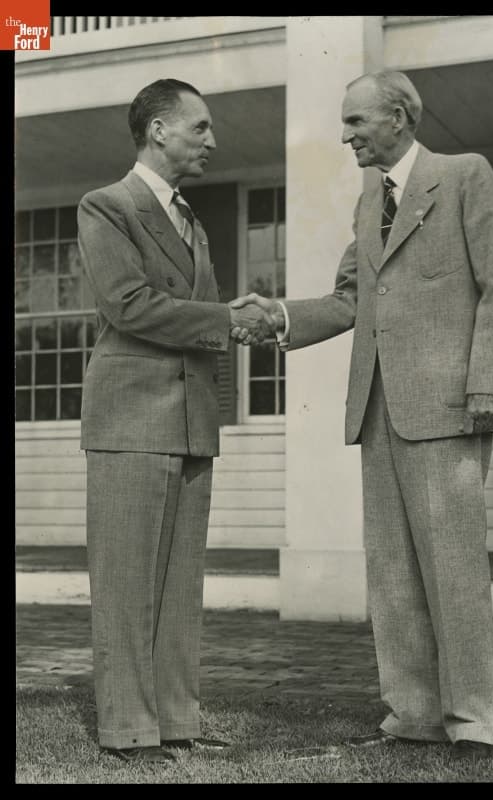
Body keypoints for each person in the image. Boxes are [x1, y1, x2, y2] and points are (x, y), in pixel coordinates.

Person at [230, 69, 493, 761]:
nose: (345, 135)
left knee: (452, 569)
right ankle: (413, 718)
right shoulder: (370, 199)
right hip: (378, 407)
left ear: (398, 116)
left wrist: (487, 382)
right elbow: (346, 300)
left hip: (449, 407)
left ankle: (474, 722)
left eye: (357, 122)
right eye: (343, 123)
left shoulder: (463, 174)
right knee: (392, 573)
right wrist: (275, 318)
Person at [77, 78, 271, 764]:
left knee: (179, 587)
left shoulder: (189, 217)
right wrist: (226, 318)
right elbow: (129, 305)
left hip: (190, 419)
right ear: (158, 130)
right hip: (130, 418)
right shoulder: (109, 206)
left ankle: (177, 722)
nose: (211, 141)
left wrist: (234, 320)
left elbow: (195, 318)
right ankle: (128, 730)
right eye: (200, 128)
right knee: (128, 584)